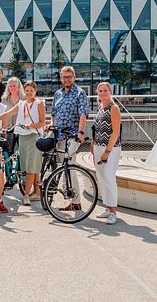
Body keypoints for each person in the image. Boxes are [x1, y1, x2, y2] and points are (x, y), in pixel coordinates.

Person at [0, 81, 46, 205]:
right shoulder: (21, 104)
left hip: (34, 137)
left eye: (31, 90)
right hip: (23, 137)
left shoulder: (39, 103)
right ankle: (37, 193)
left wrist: (30, 126)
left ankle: (26, 195)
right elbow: (7, 114)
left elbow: (42, 122)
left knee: (31, 167)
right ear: (24, 91)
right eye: (27, 90)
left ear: (35, 91)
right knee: (28, 166)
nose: (29, 93)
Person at [49, 66, 90, 211]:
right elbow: (53, 113)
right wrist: (51, 125)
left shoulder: (80, 93)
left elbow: (83, 115)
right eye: (64, 77)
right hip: (59, 136)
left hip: (73, 135)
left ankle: (75, 200)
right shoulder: (58, 94)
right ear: (61, 78)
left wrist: (80, 132)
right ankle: (72, 200)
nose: (66, 79)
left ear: (74, 77)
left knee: (69, 165)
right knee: (65, 167)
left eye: (69, 77)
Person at [91, 82, 121, 225]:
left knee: (109, 179)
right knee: (102, 179)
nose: (102, 93)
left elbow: (115, 132)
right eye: (100, 91)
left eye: (105, 90)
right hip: (98, 147)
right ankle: (108, 208)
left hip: (111, 149)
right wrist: (93, 145)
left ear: (110, 92)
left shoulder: (113, 108)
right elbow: (96, 129)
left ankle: (113, 212)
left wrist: (107, 152)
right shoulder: (101, 107)